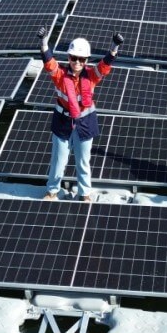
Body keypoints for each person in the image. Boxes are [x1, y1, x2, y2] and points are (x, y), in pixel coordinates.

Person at [36, 26, 123, 202]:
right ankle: (52, 191)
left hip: (85, 123)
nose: (77, 62)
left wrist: (114, 47)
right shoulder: (60, 75)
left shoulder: (91, 76)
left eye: (81, 59)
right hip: (62, 123)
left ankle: (84, 194)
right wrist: (44, 42)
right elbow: (49, 63)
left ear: (86, 60)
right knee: (59, 162)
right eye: (74, 58)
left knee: (83, 162)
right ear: (68, 58)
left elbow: (104, 66)